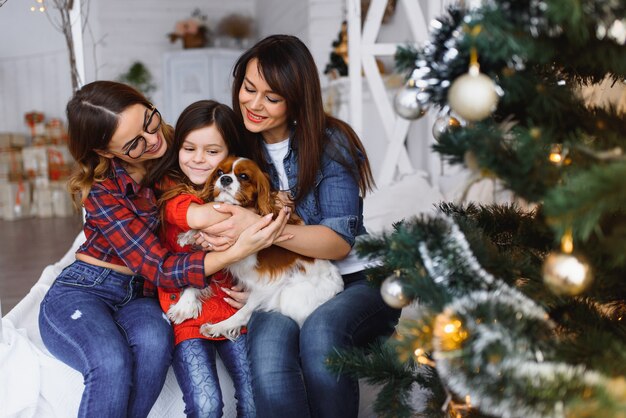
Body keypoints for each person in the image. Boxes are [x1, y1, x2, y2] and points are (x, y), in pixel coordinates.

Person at [38, 81, 290, 418]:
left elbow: (234, 169)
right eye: (134, 144)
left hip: (143, 296)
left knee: (155, 346)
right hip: (88, 287)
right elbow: (158, 267)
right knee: (111, 362)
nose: (153, 139)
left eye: (150, 121)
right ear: (106, 152)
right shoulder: (103, 192)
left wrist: (274, 201)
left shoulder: (182, 148)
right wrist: (232, 250)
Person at [197, 34, 402, 418]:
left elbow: (338, 243)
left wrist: (262, 226)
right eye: (248, 88)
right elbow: (193, 169)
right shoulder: (240, 143)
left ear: (296, 100)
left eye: (271, 98)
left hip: (360, 281)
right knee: (268, 357)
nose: (254, 104)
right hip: (284, 281)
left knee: (321, 336)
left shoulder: (330, 142)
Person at [156, 100, 255, 417]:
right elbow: (192, 216)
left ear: (230, 154)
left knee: (255, 397)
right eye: (189, 148)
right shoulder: (169, 188)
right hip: (185, 311)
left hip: (229, 306)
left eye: (212, 152)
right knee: (206, 403)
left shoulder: (240, 187)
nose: (198, 159)